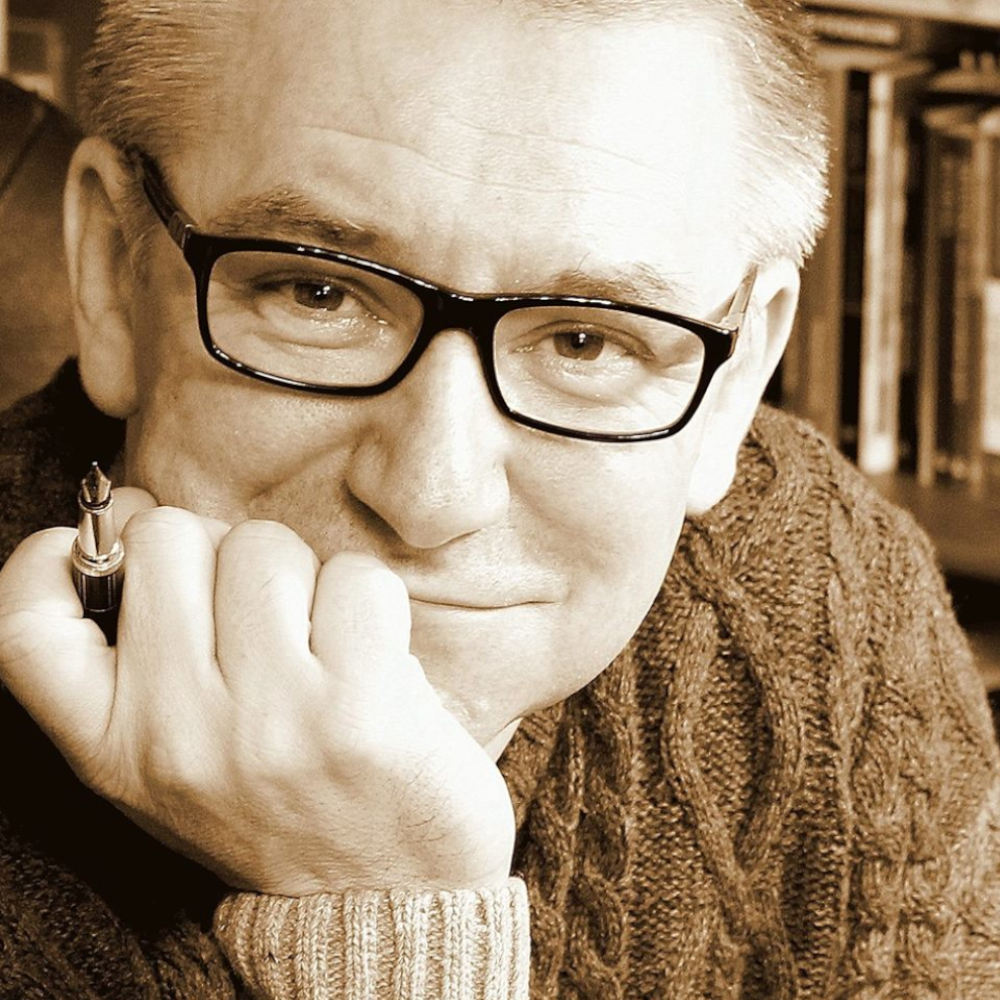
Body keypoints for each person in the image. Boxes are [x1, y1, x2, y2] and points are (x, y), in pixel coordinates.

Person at [0, 0, 998, 996]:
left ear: (738, 381)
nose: (430, 495)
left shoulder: (834, 600)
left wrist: (381, 912)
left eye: (585, 341)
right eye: (318, 292)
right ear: (113, 269)